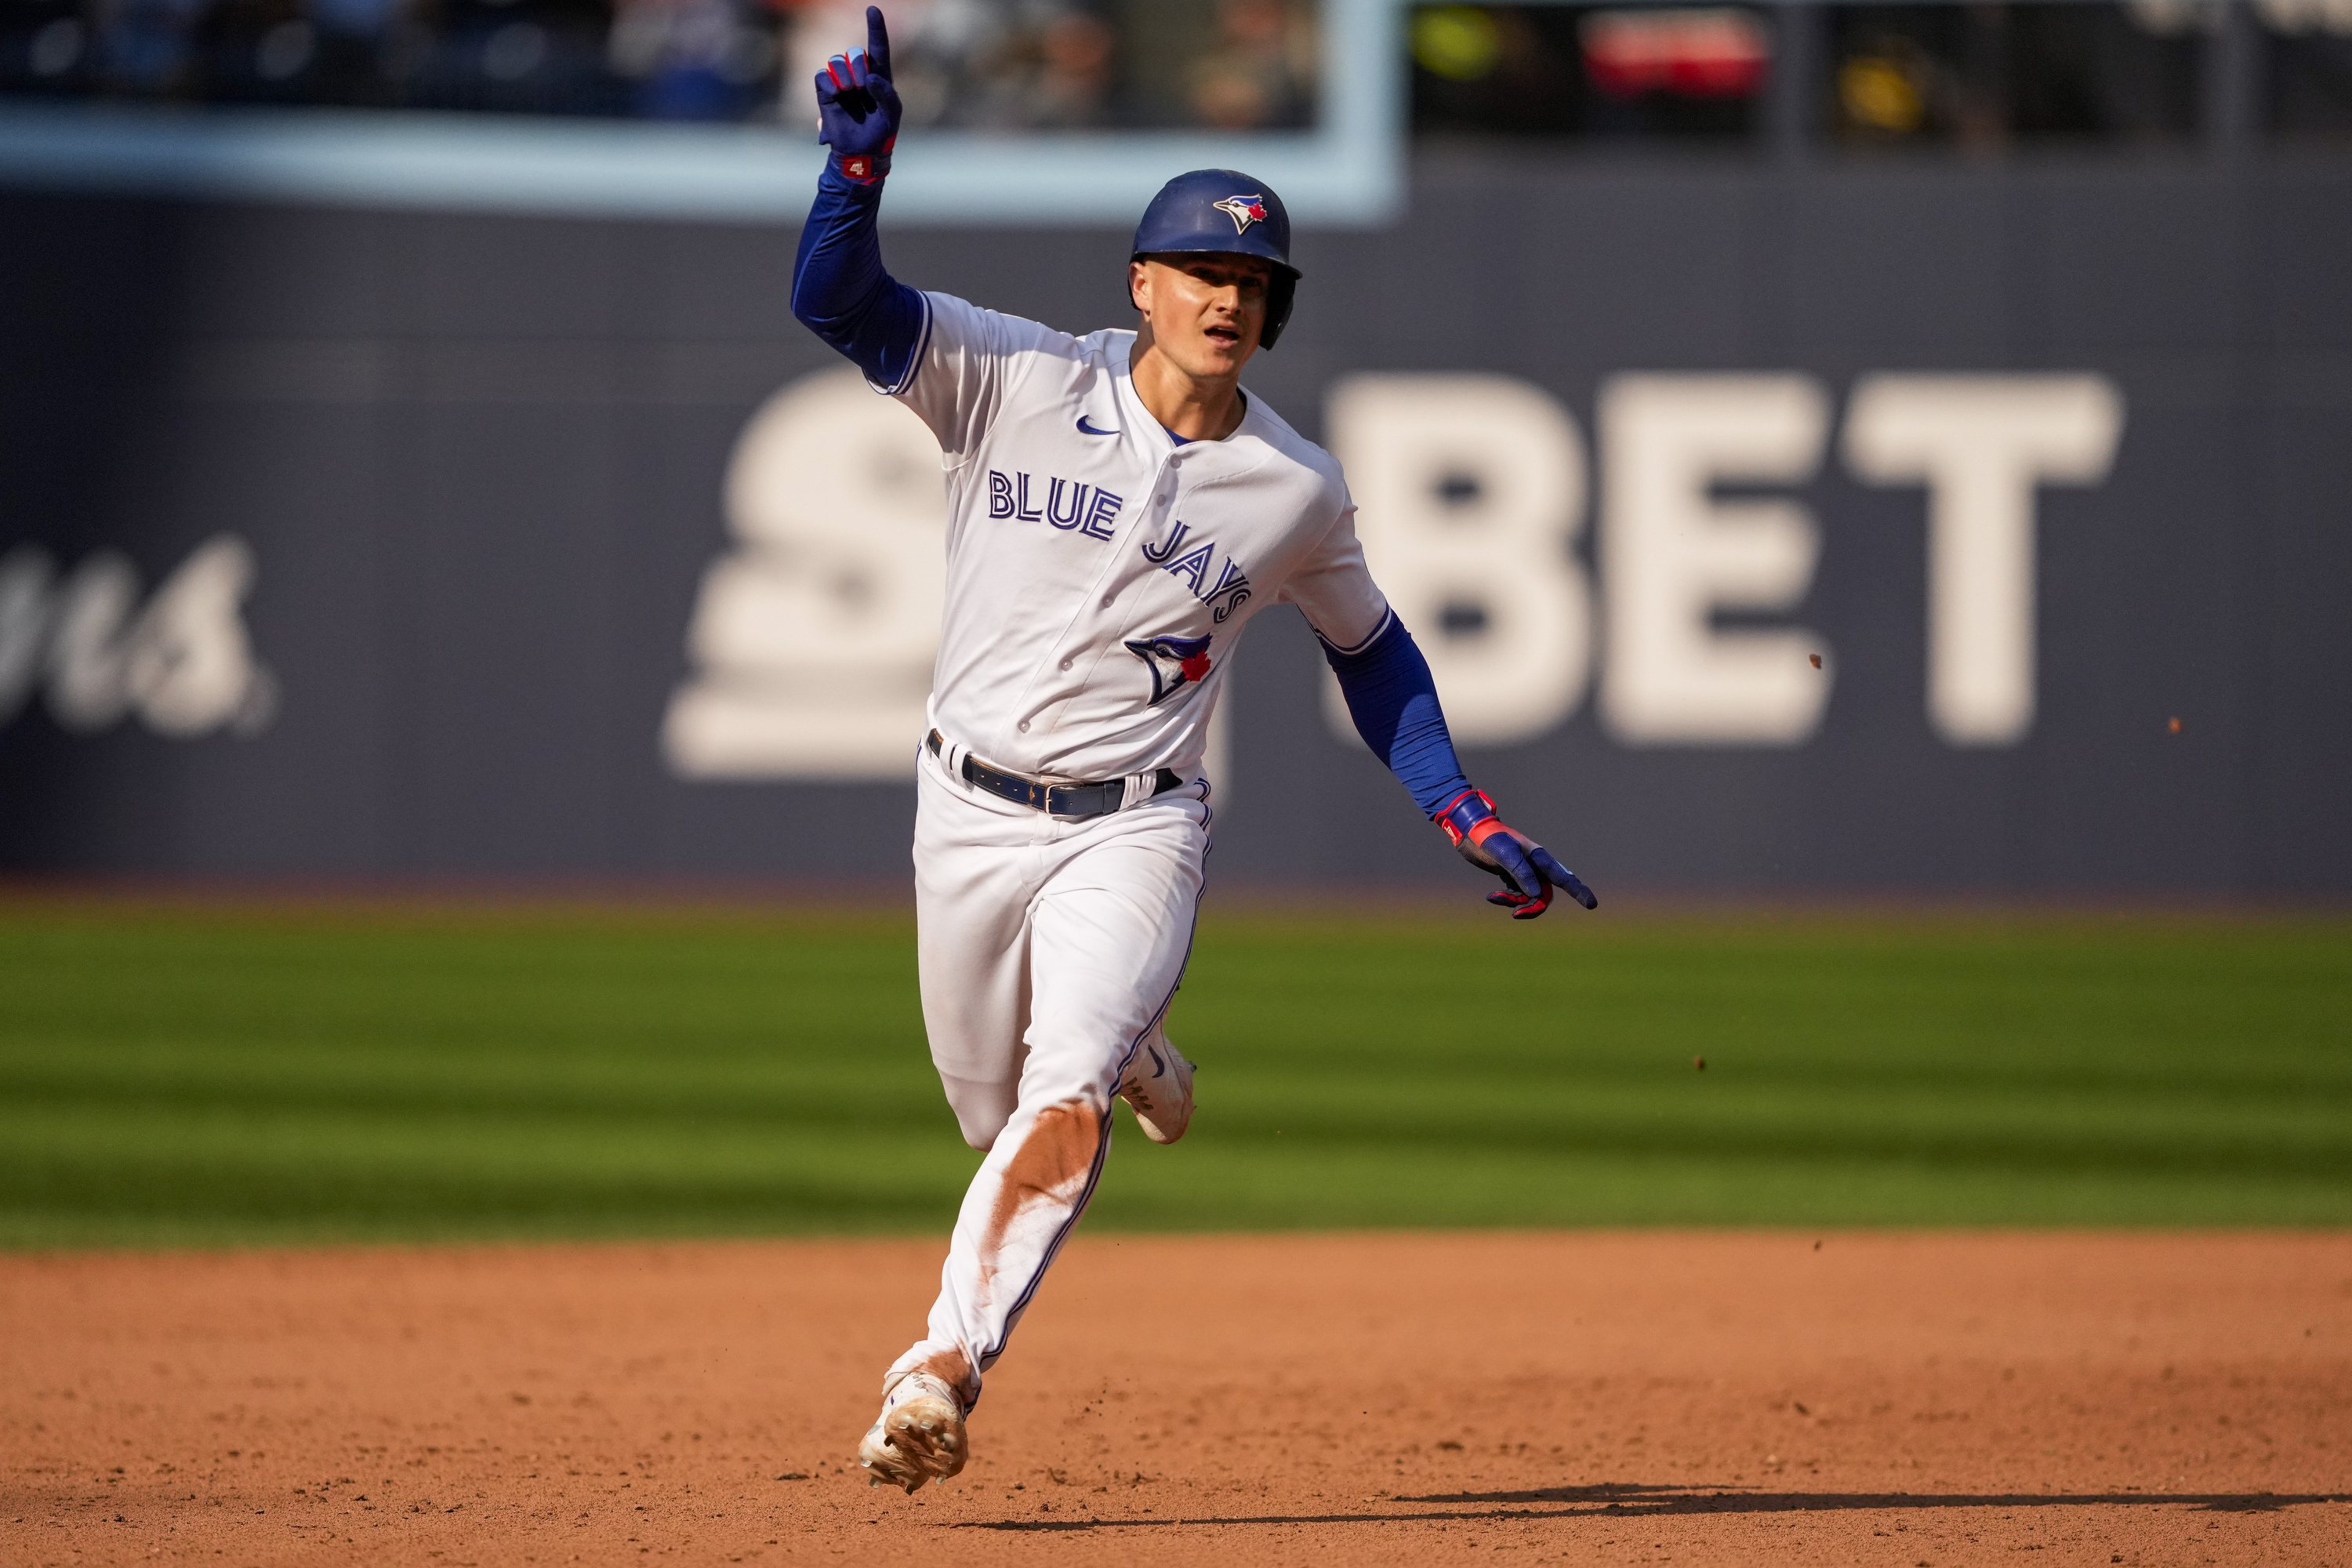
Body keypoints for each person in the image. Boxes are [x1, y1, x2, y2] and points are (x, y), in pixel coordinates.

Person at [790, 7, 1598, 1495]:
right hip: (964, 809)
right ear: (1143, 284)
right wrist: (856, 178)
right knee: (991, 1116)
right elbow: (842, 309)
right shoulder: (1019, 377)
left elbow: (1375, 653)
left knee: (1062, 1106)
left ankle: (938, 1373)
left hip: (1135, 826)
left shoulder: (1291, 486)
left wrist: (1461, 807)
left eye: (1256, 280)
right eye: (1206, 272)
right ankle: (1135, 1039)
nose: (1230, 298)